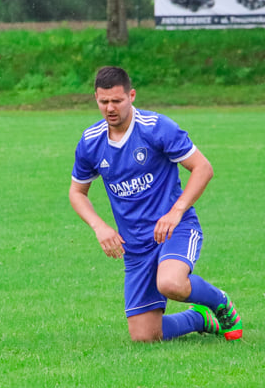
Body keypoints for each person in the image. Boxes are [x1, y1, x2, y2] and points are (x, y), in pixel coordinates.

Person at [69, 66, 242, 343]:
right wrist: (100, 227)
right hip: (135, 245)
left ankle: (219, 302)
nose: (110, 108)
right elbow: (77, 192)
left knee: (170, 283)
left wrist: (176, 212)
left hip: (175, 230)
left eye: (117, 100)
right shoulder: (91, 142)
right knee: (144, 336)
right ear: (96, 100)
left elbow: (202, 168)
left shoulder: (156, 128)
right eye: (104, 102)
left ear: (132, 96)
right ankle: (200, 318)